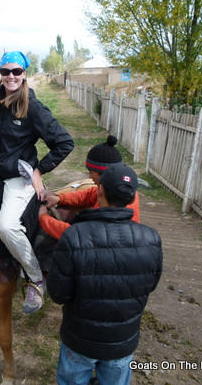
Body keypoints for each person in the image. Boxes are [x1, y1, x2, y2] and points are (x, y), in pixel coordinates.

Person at [0, 51, 74, 313]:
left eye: (16, 71)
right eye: (5, 71)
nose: (10, 76)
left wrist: (39, 170)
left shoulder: (32, 106)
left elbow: (64, 142)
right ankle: (5, 266)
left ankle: (35, 276)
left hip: (22, 178)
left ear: (25, 73)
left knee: (7, 228)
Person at [47, 164, 162, 385]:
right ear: (131, 197)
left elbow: (58, 294)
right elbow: (150, 284)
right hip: (123, 341)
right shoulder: (152, 239)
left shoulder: (74, 237)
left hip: (79, 340)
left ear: (99, 191)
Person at [39, 135, 140, 240]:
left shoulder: (113, 213)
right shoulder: (117, 191)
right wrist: (60, 198)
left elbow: (75, 235)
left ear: (105, 175)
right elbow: (90, 195)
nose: (89, 176)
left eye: (92, 172)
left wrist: (43, 218)